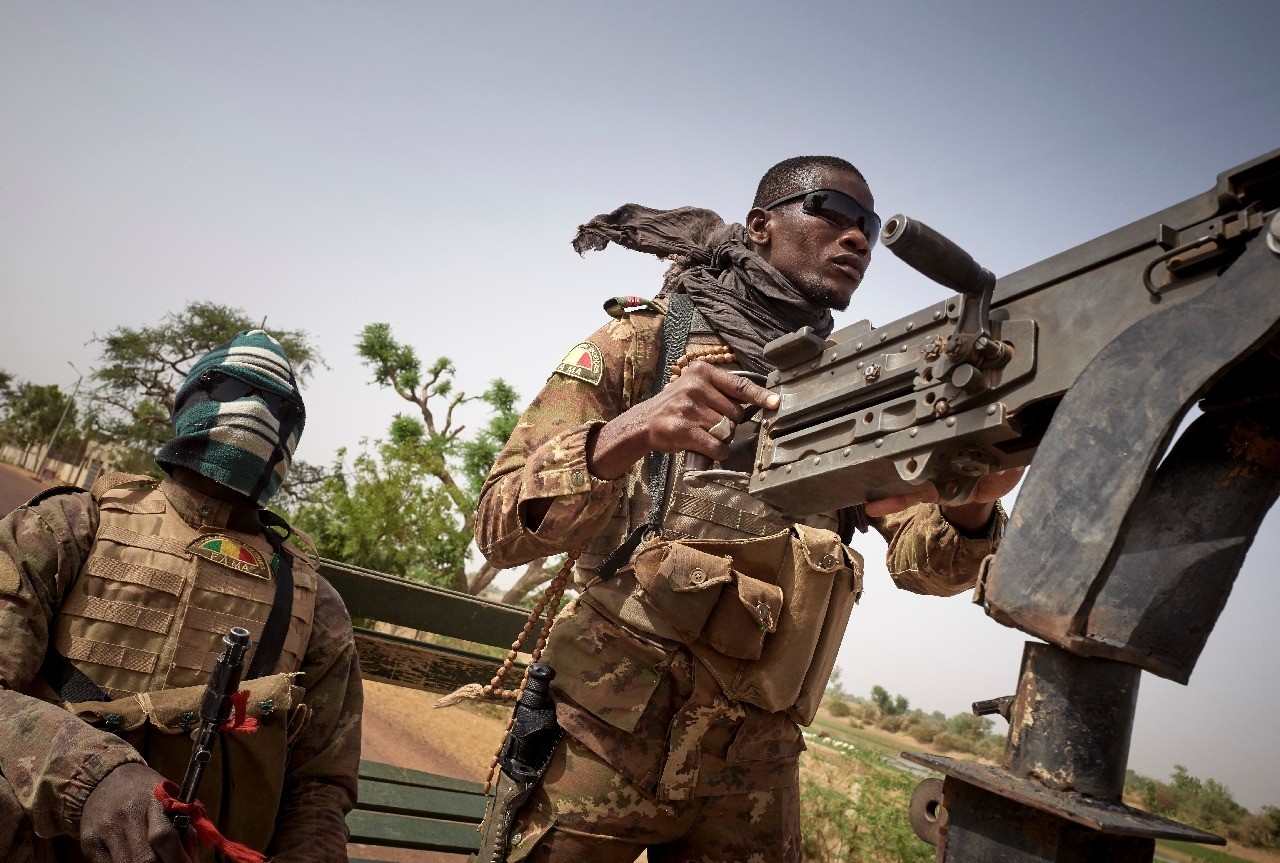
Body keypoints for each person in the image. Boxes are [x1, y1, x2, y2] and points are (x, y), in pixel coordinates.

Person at [473, 156, 1021, 862]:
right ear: (760, 226)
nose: (856, 237)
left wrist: (970, 508)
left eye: (868, 225)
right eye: (832, 210)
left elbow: (922, 563)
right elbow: (498, 526)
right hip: (601, 741)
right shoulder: (650, 337)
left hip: (757, 768)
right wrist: (629, 431)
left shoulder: (857, 387)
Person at [0, 330, 362, 863]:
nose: (255, 413)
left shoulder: (317, 606)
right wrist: (96, 781)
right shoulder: (68, 528)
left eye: (273, 406)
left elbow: (319, 789)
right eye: (233, 391)